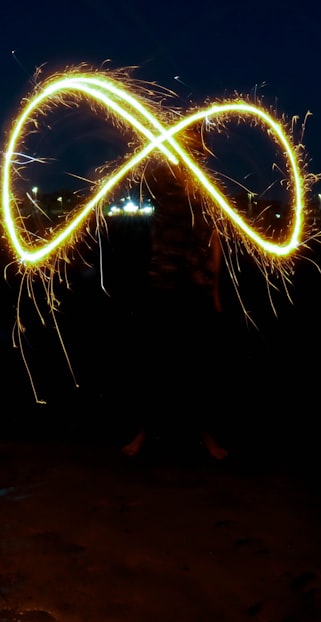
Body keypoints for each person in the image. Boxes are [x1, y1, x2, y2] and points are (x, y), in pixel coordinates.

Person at [120, 162, 230, 460]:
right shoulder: (163, 188)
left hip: (194, 287)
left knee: (198, 368)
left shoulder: (204, 190)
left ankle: (205, 435)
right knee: (156, 364)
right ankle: (144, 432)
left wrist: (215, 290)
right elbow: (156, 234)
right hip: (164, 284)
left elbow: (214, 239)